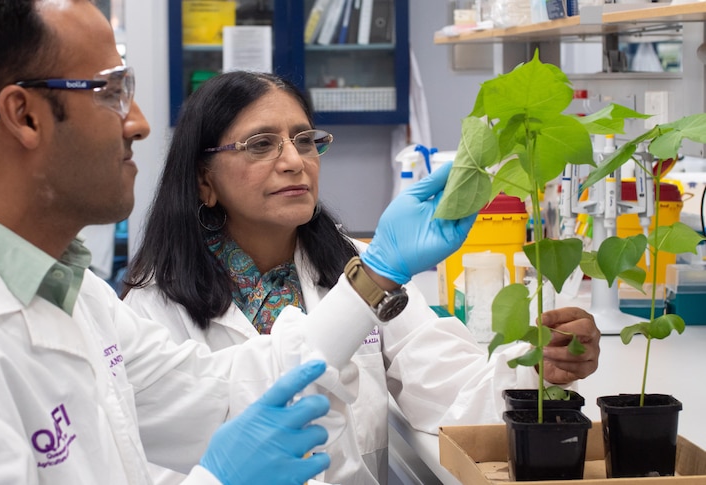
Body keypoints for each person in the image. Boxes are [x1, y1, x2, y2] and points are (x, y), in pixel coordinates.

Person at [0, 1, 477, 484]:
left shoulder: (76, 298)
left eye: (304, 140)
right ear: (24, 116)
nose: (140, 124)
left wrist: (377, 273)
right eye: (112, 92)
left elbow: (230, 385)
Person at [121, 71, 602, 485]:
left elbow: (453, 394)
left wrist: (539, 367)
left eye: (304, 139)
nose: (294, 161)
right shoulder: (153, 307)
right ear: (204, 180)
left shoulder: (360, 266)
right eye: (261, 144)